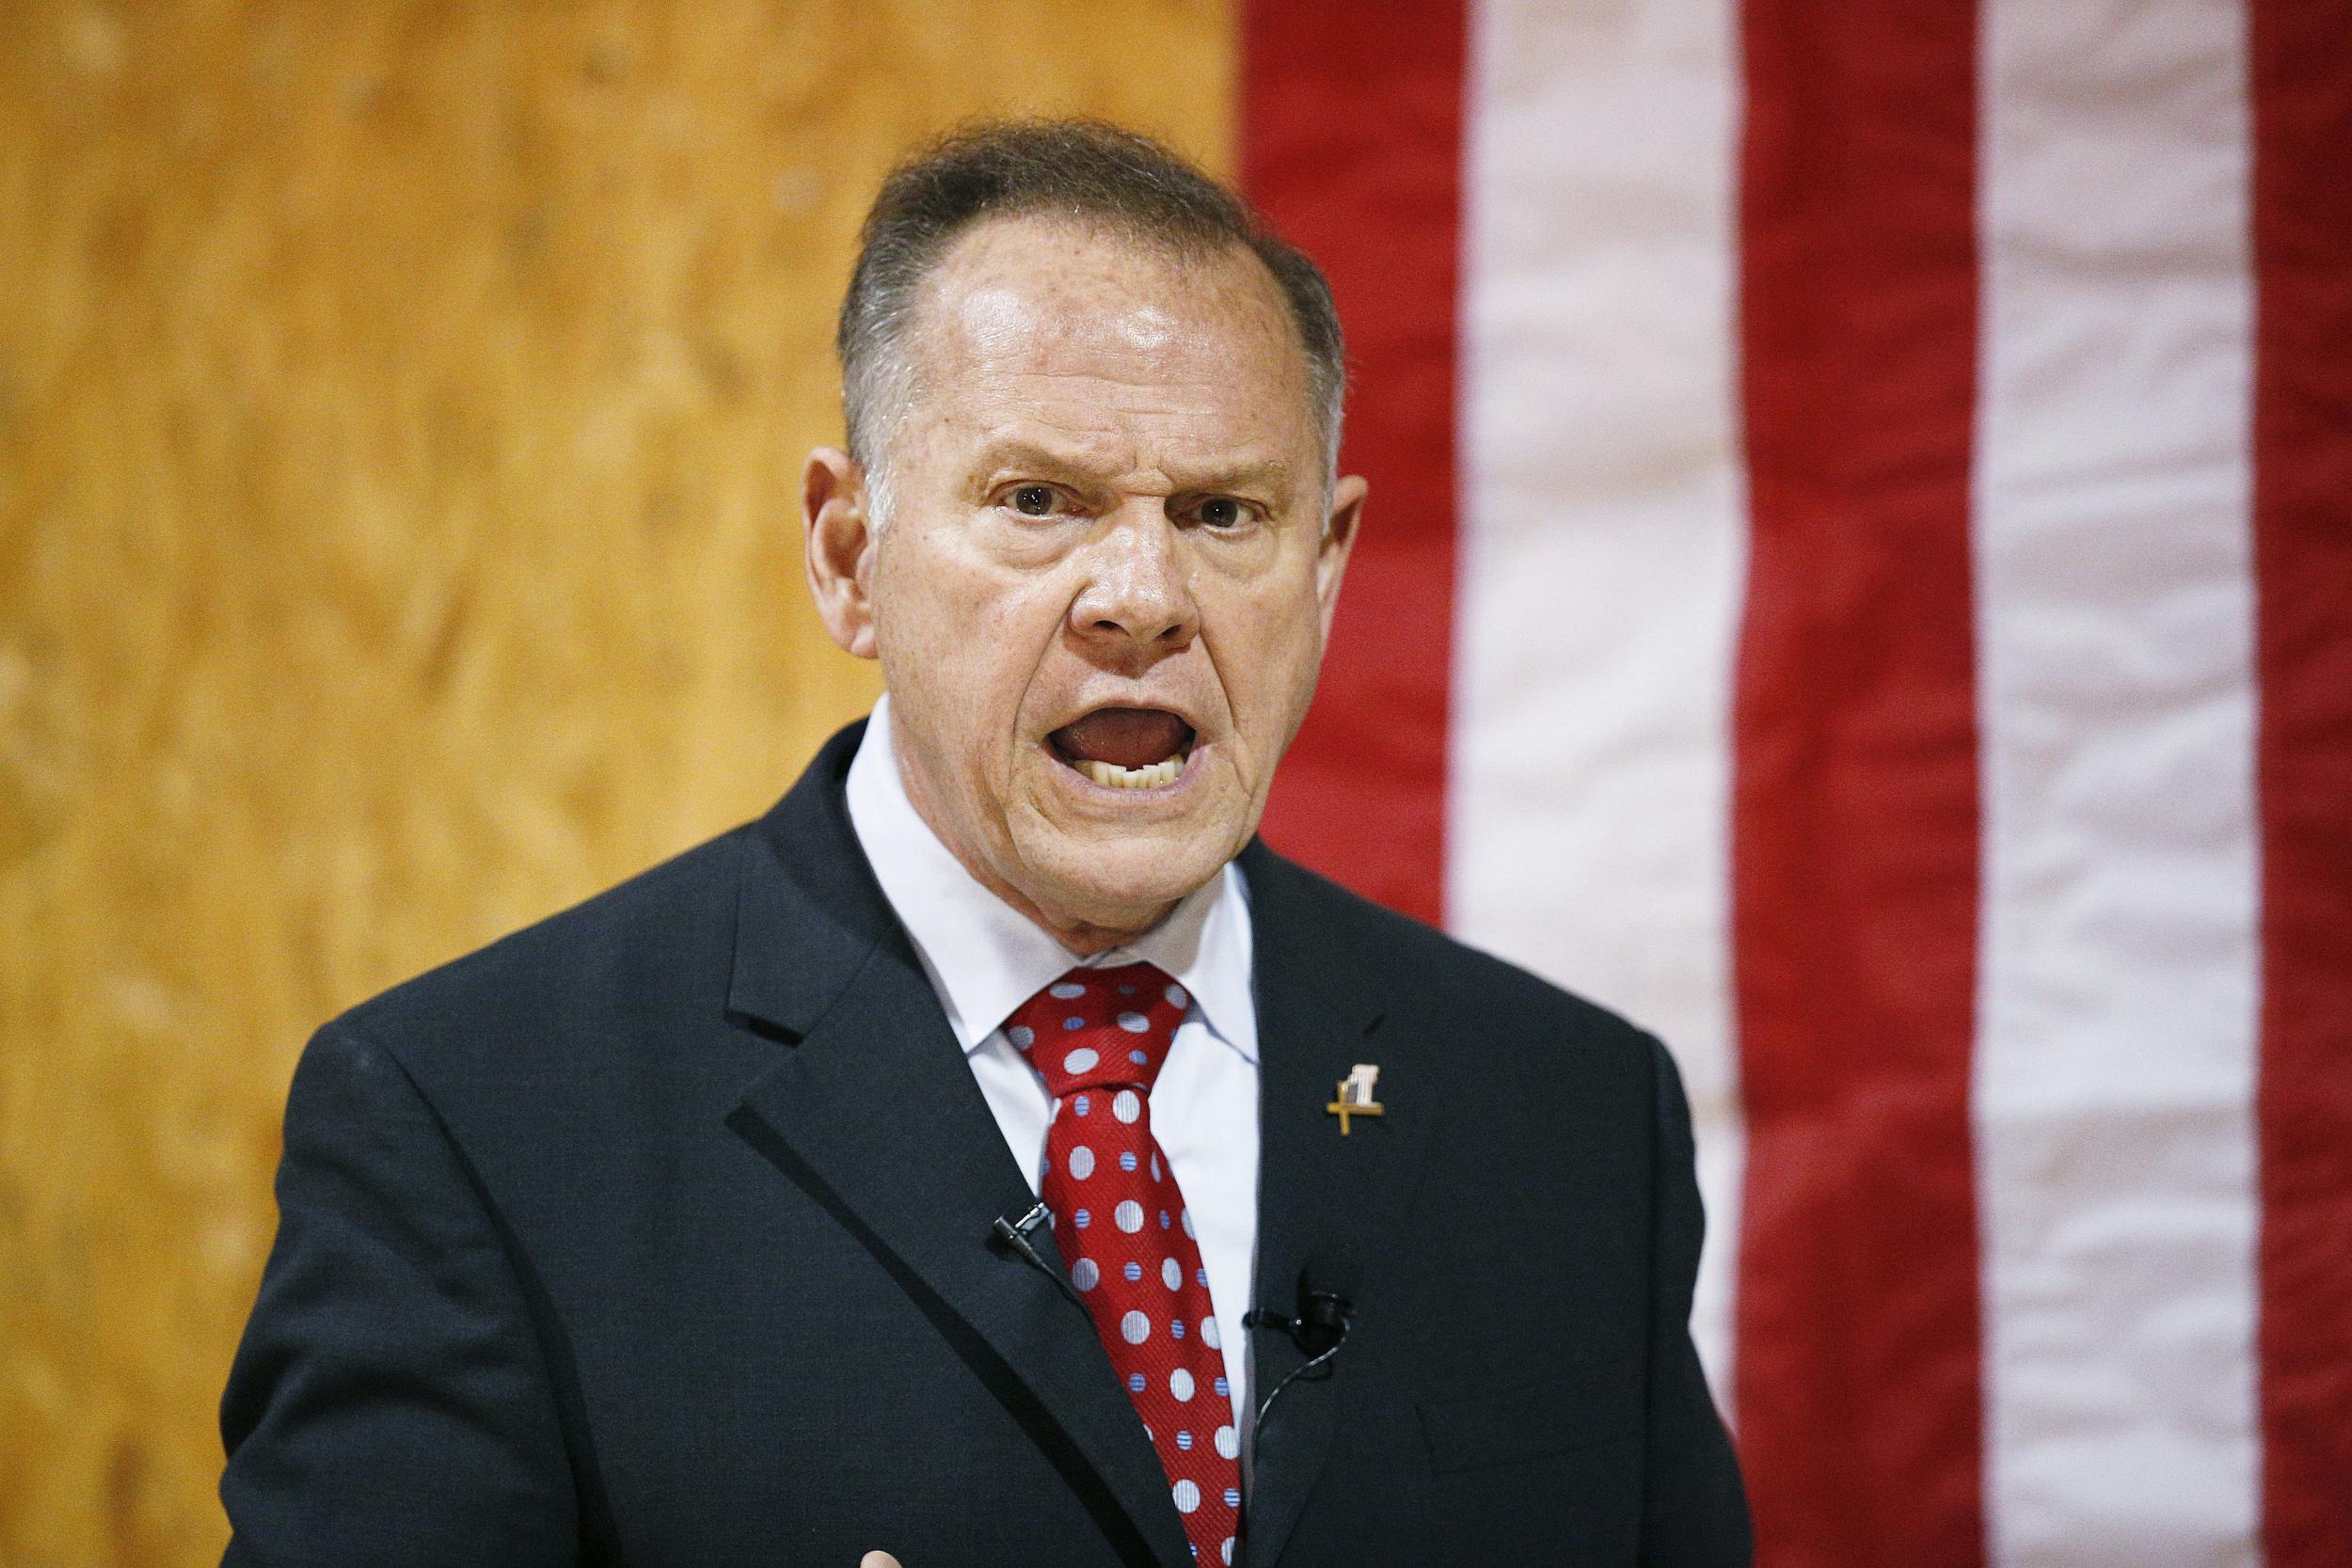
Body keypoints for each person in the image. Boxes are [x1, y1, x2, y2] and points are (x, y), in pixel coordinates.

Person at [218, 119, 1750, 1567]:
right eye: (1040, 501)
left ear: (1329, 566)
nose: (1141, 595)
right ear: (850, 558)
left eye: (1224, 514)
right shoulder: (477, 1128)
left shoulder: (1572, 1122)